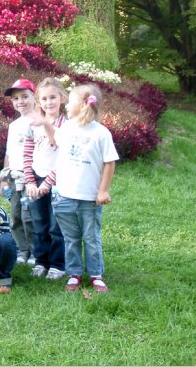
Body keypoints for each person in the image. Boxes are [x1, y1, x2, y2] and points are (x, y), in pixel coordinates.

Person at [43, 84, 119, 293]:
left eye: (71, 101)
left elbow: (109, 163)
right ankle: (74, 273)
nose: (67, 105)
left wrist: (102, 191)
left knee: (91, 238)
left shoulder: (100, 133)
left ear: (84, 104)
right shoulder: (67, 128)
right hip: (64, 196)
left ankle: (96, 274)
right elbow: (54, 139)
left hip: (89, 198)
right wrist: (44, 123)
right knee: (71, 239)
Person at [24, 77, 67, 280]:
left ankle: (58, 264)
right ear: (38, 101)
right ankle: (41, 261)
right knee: (39, 223)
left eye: (53, 97)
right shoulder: (33, 125)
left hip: (58, 181)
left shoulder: (67, 126)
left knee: (55, 224)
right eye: (44, 98)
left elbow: (64, 157)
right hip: (36, 179)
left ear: (62, 98)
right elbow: (27, 154)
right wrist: (30, 181)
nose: (48, 102)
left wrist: (48, 183)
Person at [2, 78, 37, 265]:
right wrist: (4, 178)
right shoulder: (14, 125)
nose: (20, 101)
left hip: (31, 177)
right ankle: (22, 249)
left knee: (29, 216)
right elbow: (9, 153)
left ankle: (35, 251)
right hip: (14, 176)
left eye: (25, 96)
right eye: (15, 98)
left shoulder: (39, 122)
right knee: (15, 215)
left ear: (34, 97)